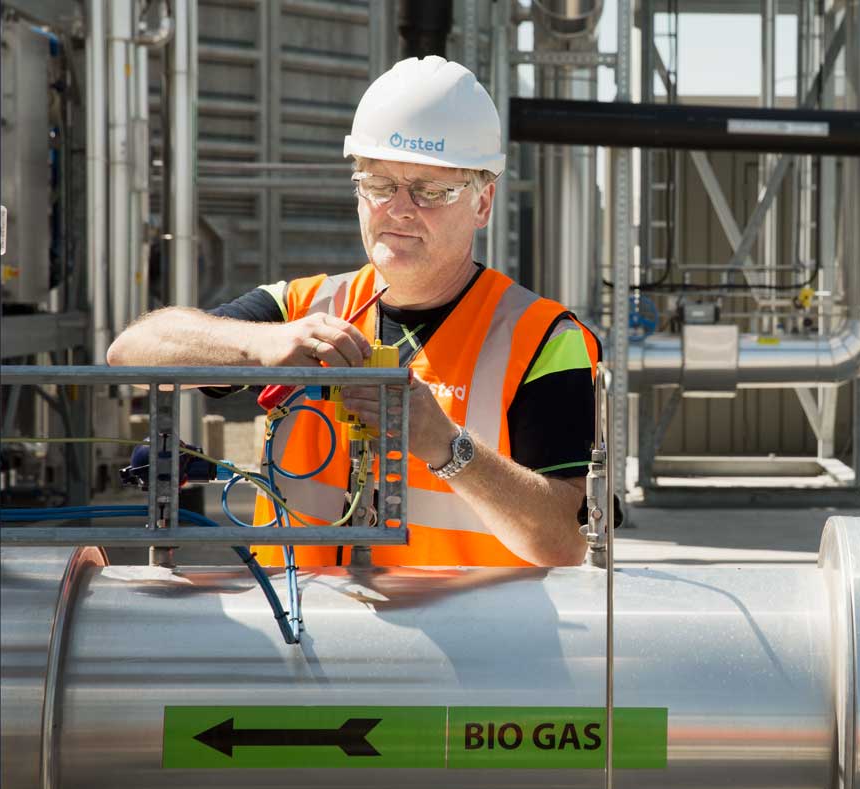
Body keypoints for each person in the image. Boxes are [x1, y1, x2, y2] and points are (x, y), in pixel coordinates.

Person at [106, 56, 598, 567]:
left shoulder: (541, 338)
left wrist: (446, 447)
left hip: (462, 618)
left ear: (483, 203)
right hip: (295, 611)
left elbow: (567, 543)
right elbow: (130, 352)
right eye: (380, 185)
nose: (400, 209)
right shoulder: (304, 309)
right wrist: (262, 345)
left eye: (431, 191)